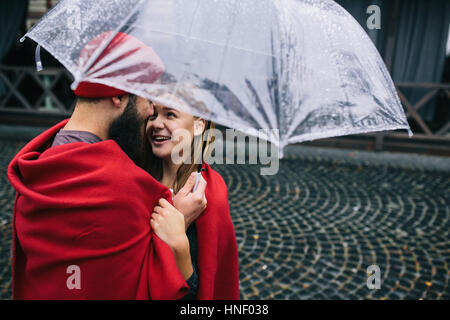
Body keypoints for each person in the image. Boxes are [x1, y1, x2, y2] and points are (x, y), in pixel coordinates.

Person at [7, 32, 206, 299]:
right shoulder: (124, 185)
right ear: (118, 97)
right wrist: (178, 227)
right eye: (146, 99)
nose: (150, 113)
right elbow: (155, 288)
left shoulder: (37, 165)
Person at [144, 98, 240, 299]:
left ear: (198, 125)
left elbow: (205, 284)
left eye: (170, 114)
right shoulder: (138, 179)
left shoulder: (209, 194)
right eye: (153, 115)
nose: (156, 124)